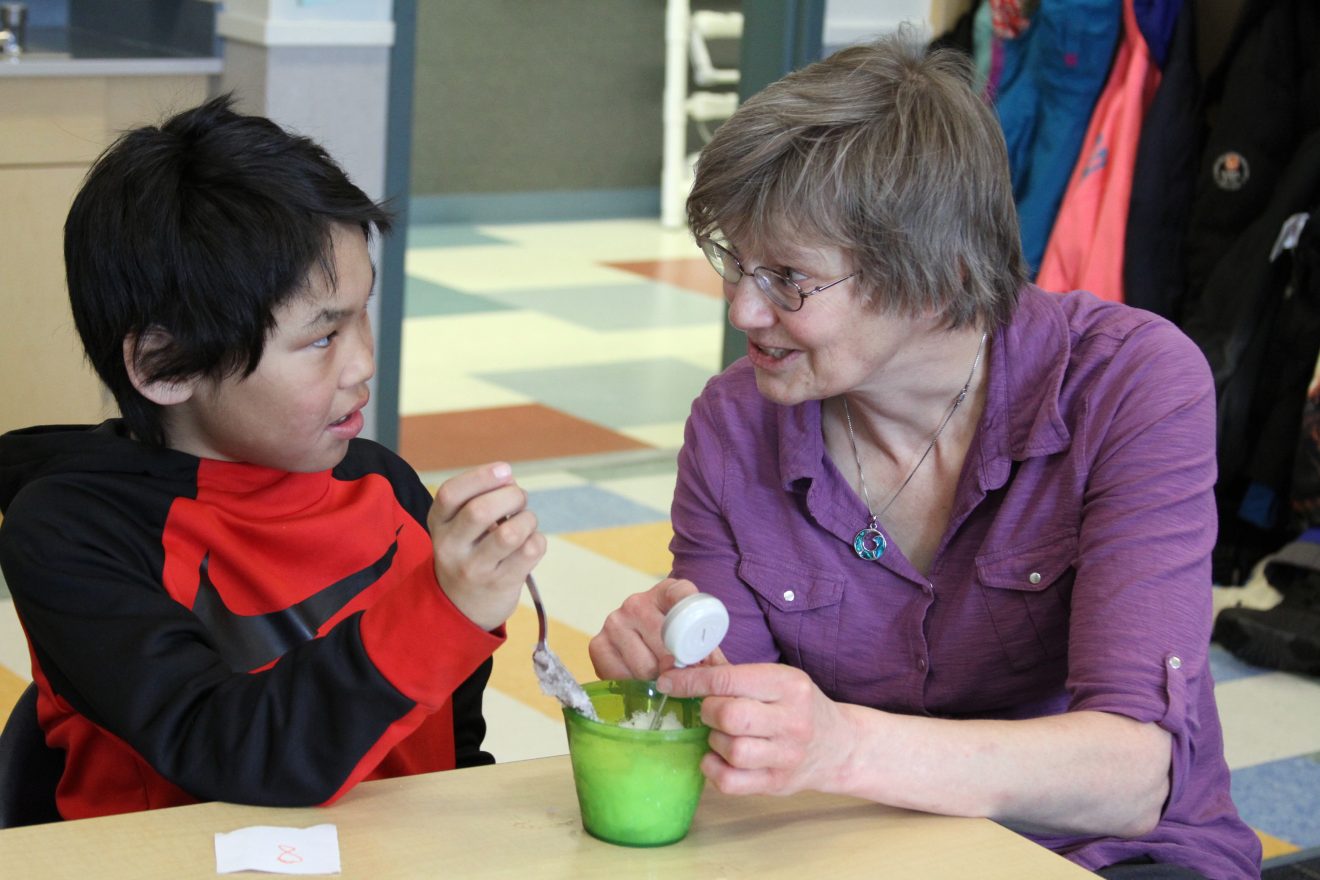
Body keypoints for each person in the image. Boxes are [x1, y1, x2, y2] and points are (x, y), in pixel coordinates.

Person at [588, 32, 1261, 880]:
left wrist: (842, 747)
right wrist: (675, 673)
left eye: (788, 278)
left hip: (1107, 854)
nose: (742, 312)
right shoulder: (736, 425)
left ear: (937, 274)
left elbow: (1133, 778)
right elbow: (744, 740)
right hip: (849, 847)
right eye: (735, 262)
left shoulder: (1129, 385)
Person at [0, 96, 545, 820]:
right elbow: (228, 749)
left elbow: (447, 736)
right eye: (321, 337)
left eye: (362, 314)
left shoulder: (386, 486)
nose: (362, 364)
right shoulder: (71, 531)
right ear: (166, 365)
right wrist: (442, 609)